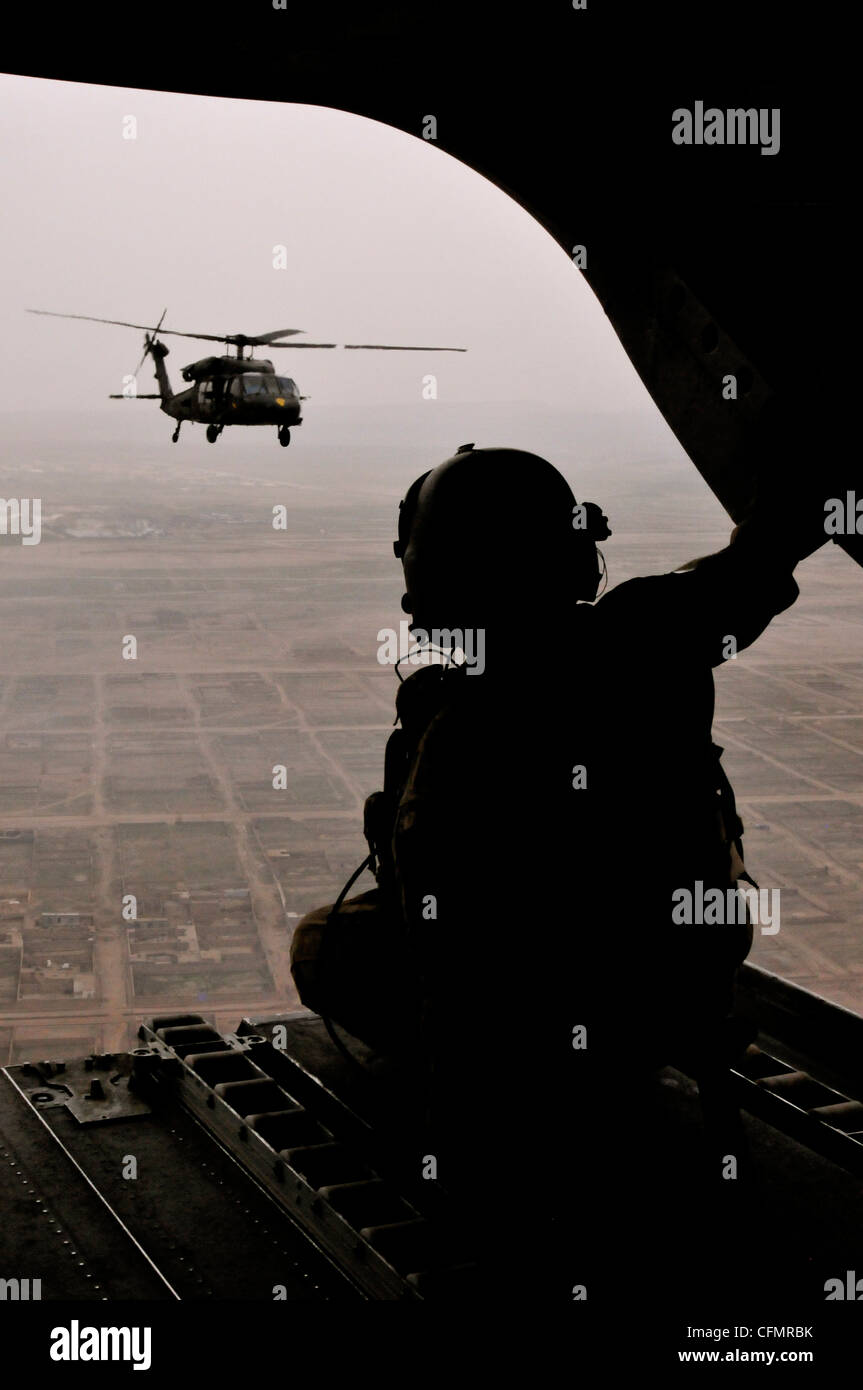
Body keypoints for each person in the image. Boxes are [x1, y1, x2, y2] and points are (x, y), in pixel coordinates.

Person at [290, 441, 834, 1296]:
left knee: (322, 943)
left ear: (432, 589)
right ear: (579, 558)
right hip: (678, 991)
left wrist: (457, 1169)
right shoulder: (658, 632)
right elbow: (756, 563)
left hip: (530, 1037)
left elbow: (451, 974)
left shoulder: (459, 741)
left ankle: (548, 1110)